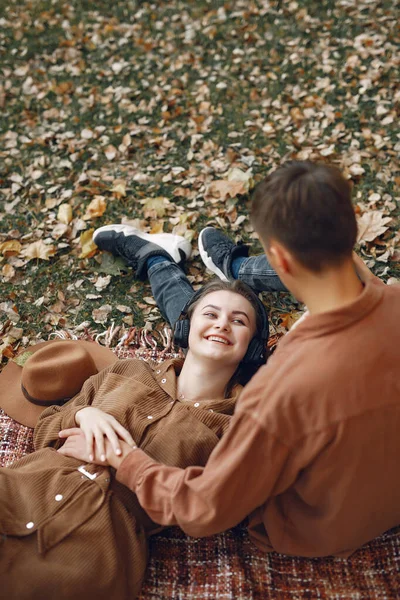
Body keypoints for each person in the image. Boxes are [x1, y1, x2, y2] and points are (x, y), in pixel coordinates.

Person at [61, 160, 400, 559]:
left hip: (314, 528)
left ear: (279, 262)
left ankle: (161, 261)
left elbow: (202, 509)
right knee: (216, 323)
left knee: (212, 326)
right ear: (352, 232)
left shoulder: (271, 397)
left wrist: (125, 458)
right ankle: (199, 266)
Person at [0, 241, 269, 599]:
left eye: (239, 321)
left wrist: (126, 461)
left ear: (250, 344)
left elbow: (212, 507)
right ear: (187, 325)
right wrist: (83, 412)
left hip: (97, 541)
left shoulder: (236, 428)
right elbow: (47, 425)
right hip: (25, 487)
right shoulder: (127, 370)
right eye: (210, 314)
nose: (222, 324)